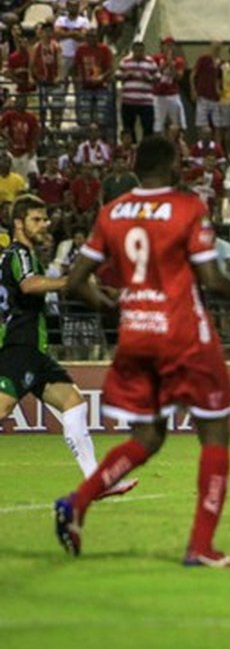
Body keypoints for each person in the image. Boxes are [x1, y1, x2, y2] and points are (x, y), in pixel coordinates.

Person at [55, 135, 230, 566]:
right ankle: (201, 546)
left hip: (136, 337)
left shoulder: (112, 212)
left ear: (134, 167)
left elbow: (75, 282)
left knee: (148, 437)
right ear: (171, 165)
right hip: (185, 338)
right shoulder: (187, 208)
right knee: (215, 432)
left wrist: (113, 308)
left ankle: (78, 502)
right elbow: (210, 278)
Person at [0, 196, 137, 495]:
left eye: (45, 219)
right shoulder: (19, 253)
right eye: (37, 219)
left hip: (34, 350)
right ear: (19, 223)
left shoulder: (15, 255)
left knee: (73, 403)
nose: (44, 225)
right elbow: (29, 285)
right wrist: (70, 280)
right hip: (19, 347)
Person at [152, 37, 187, 133]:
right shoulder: (156, 58)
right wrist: (165, 64)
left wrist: (171, 64)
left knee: (176, 122)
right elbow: (154, 74)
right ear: (162, 46)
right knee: (158, 124)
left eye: (172, 45)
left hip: (173, 94)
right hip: (158, 95)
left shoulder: (179, 60)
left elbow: (179, 77)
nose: (169, 48)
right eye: (167, 45)